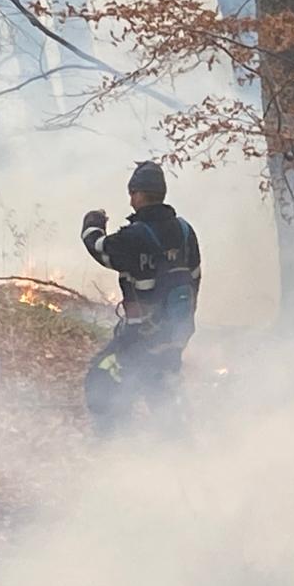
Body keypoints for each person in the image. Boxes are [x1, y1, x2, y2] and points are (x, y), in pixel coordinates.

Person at [81, 161, 202, 436]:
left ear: (138, 194)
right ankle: (179, 452)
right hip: (176, 333)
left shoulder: (135, 236)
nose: (130, 199)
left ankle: (114, 445)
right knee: (160, 390)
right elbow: (194, 278)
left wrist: (92, 223)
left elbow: (100, 249)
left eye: (131, 193)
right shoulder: (185, 231)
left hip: (140, 337)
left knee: (102, 380)